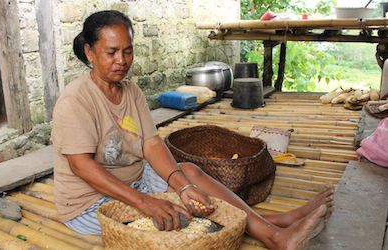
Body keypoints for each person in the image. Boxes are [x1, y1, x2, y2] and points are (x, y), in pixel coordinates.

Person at [51, 10, 335, 250]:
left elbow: (151, 143)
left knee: (190, 175)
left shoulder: (132, 91)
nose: (122, 61)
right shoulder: (76, 99)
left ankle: (274, 227)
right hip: (90, 202)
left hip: (135, 183)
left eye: (127, 51)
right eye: (111, 52)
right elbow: (81, 166)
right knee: (179, 214)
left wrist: (182, 185)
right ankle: (274, 231)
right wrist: (147, 202)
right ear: (89, 52)